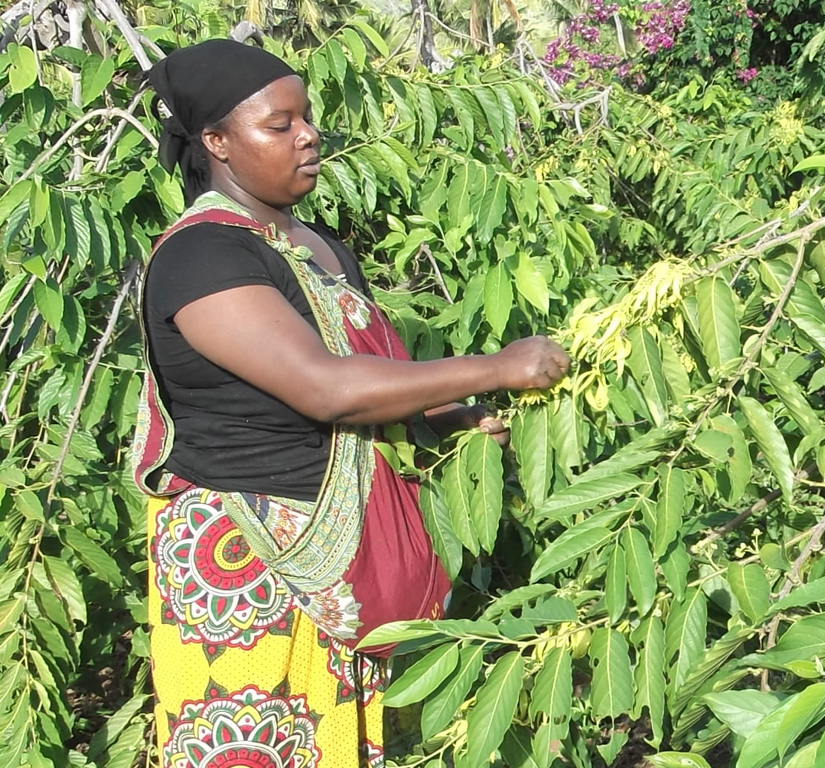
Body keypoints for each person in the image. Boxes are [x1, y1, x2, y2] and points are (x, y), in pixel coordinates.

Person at [132, 39, 570, 767]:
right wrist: (493, 367)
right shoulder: (202, 256)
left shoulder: (317, 247)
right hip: (251, 567)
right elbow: (324, 387)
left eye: (307, 117)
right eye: (280, 125)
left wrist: (442, 418)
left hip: (339, 567)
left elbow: (363, 379)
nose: (308, 135)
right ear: (217, 143)